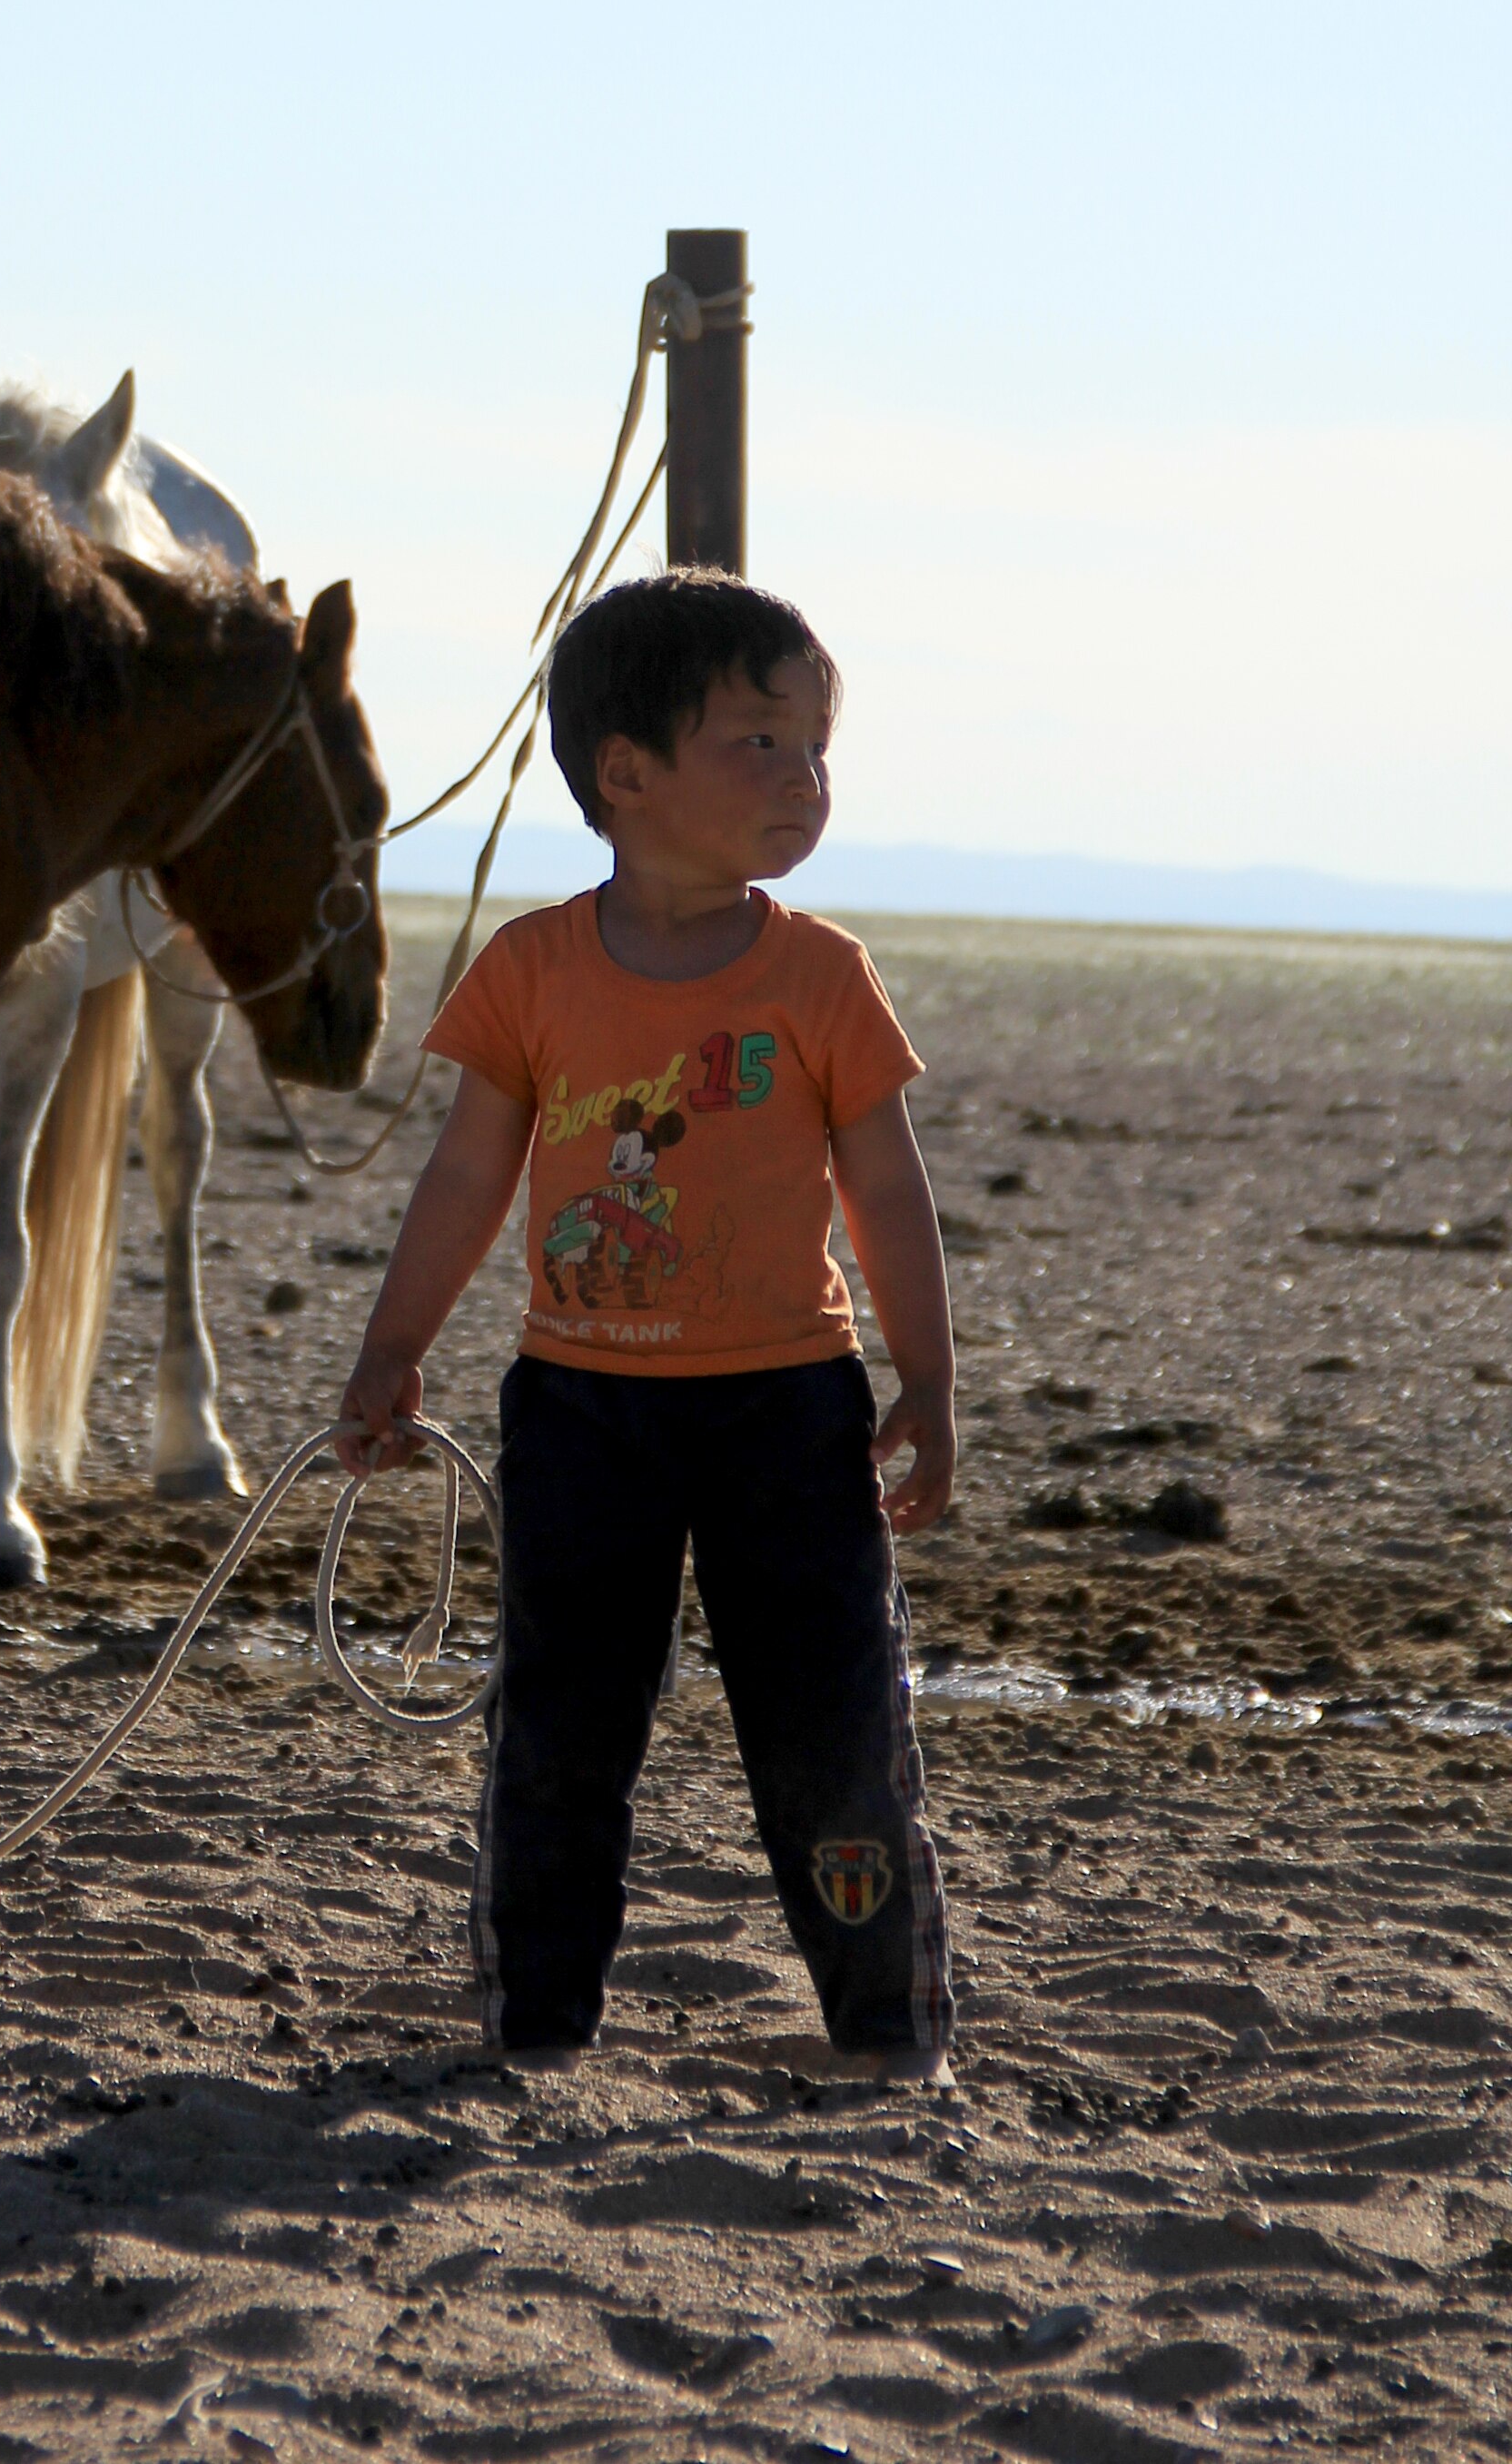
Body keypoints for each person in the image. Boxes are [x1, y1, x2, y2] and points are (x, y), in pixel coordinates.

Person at [334, 570, 955, 2075]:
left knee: (830, 1734)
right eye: (761, 741)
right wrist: (391, 1344)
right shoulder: (533, 971)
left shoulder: (821, 975)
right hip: (581, 1411)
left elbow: (886, 1183)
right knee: (562, 1730)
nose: (804, 778)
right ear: (627, 773)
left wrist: (928, 1377)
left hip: (792, 1413)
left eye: (817, 745)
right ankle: (536, 2021)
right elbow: (469, 1170)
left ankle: (885, 2022)